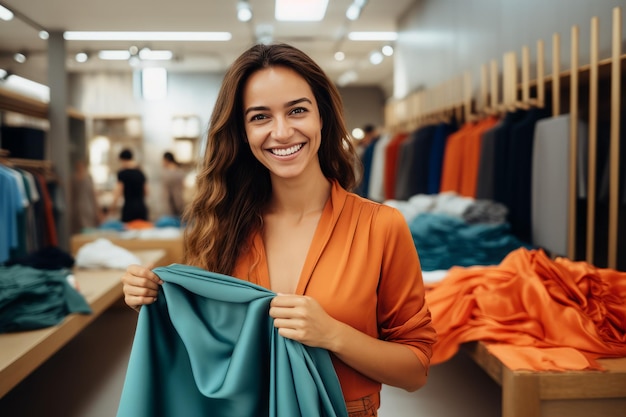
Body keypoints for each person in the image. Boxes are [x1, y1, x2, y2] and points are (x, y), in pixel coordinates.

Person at [121, 43, 436, 416]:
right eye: (260, 117)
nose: (282, 132)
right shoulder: (221, 228)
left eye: (297, 110)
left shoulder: (380, 226)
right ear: (242, 131)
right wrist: (155, 301)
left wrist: (333, 334)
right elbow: (206, 348)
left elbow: (415, 370)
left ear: (322, 117)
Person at [110, 148, 149, 222]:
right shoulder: (140, 172)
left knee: (127, 231)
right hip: (141, 207)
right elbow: (147, 192)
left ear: (123, 160)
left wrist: (112, 209)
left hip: (129, 208)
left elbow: (117, 193)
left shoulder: (122, 173)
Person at [70, 159, 103, 234]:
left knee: (88, 230)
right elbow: (72, 196)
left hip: (88, 209)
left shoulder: (88, 178)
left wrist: (98, 211)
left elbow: (93, 195)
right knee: (79, 232)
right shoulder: (73, 179)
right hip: (78, 209)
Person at [161, 151, 186, 218]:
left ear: (166, 160)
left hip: (170, 203)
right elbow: (183, 186)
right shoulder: (180, 171)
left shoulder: (166, 173)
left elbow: (167, 191)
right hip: (180, 200)